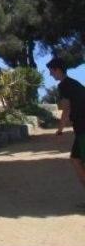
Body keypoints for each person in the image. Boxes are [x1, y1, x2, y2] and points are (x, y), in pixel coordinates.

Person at [47, 57, 85, 201]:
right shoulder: (74, 84)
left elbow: (66, 110)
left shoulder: (64, 85)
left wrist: (60, 130)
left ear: (58, 70)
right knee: (75, 159)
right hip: (81, 128)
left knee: (77, 160)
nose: (50, 75)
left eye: (51, 71)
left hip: (83, 128)